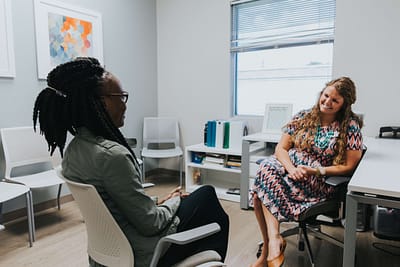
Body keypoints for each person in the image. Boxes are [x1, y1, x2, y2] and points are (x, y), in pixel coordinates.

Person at [33, 57, 229, 267]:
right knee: (208, 197)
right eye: (120, 96)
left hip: (109, 252)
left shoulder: (73, 151)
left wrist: (159, 201)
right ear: (99, 102)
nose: (124, 105)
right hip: (143, 253)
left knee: (200, 198)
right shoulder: (112, 156)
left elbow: (117, 203)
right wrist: (176, 201)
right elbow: (151, 224)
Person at [249, 77, 363, 267]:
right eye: (325, 96)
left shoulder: (350, 126)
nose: (327, 102)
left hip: (316, 179)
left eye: (335, 100)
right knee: (266, 167)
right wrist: (292, 169)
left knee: (259, 194)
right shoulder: (303, 116)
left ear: (345, 104)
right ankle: (274, 241)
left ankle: (268, 251)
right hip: (289, 170)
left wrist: (313, 170)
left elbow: (349, 166)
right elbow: (281, 149)